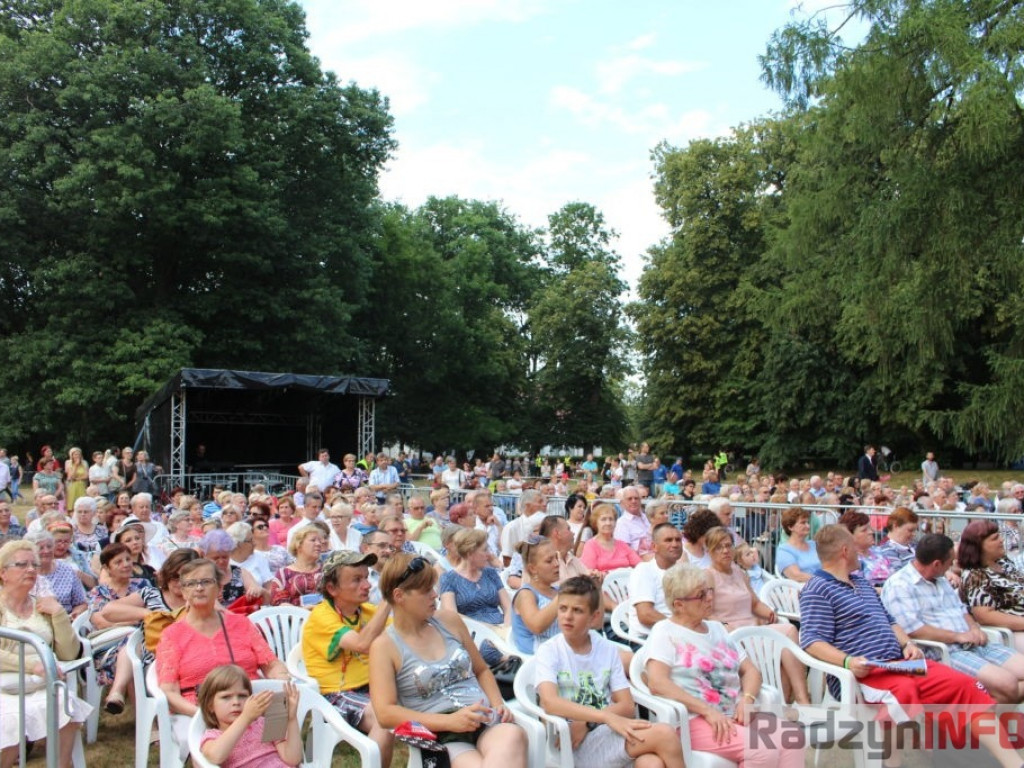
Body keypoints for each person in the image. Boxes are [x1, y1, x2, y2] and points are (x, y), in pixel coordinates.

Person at [800, 525, 1023, 768]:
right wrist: (847, 661)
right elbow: (812, 641)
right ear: (845, 551)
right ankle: (890, 763)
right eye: (855, 547)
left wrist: (907, 643)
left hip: (901, 664)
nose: (863, 550)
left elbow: (890, 620)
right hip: (865, 673)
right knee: (903, 694)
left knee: (966, 686)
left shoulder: (861, 583)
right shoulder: (817, 588)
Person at [369, 552, 528, 768]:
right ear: (399, 596)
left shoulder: (449, 621)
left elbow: (481, 670)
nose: (434, 595)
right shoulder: (384, 647)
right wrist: (450, 721)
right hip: (439, 733)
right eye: (426, 591)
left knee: (512, 736)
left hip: (482, 716)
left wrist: (498, 703)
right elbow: (385, 713)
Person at [645, 564, 804, 768]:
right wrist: (708, 711)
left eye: (709, 591)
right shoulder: (665, 632)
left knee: (793, 738)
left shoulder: (717, 628)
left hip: (735, 714)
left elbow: (750, 671)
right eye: (700, 595)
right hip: (694, 720)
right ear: (679, 604)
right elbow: (657, 682)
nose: (709, 598)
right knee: (761, 750)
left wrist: (747, 699)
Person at [534, 576, 684, 768]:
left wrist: (588, 722)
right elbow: (550, 702)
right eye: (563, 609)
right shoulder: (550, 650)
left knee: (651, 763)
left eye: (577, 610)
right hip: (570, 741)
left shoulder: (606, 648)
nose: (567, 616)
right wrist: (603, 717)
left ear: (594, 617)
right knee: (665, 734)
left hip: (605, 731)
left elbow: (627, 705)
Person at [881, 533, 1024, 704]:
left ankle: (985, 708)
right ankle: (985, 714)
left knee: (1009, 688)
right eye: (950, 562)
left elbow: (962, 610)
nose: (953, 566)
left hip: (974, 643)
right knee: (1007, 685)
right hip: (946, 651)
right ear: (936, 564)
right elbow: (913, 629)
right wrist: (958, 636)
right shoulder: (900, 585)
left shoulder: (939, 579)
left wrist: (974, 628)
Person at [156, 558, 289, 718]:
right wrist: (203, 715)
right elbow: (169, 692)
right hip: (198, 713)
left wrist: (281, 681)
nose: (199, 588)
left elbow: (272, 665)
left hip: (249, 704)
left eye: (206, 581)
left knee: (282, 721)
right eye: (191, 584)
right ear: (183, 592)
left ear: (219, 589)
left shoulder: (241, 624)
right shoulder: (172, 635)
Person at [0, 540, 91, 768]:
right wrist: (33, 665)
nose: (31, 570)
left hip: (42, 684)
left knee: (66, 708)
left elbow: (69, 654)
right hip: (5, 686)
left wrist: (59, 613)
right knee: (12, 721)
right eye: (22, 564)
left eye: (34, 565)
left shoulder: (42, 605)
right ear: (3, 573)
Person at [301, 549, 395, 764]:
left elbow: (404, 633)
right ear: (332, 588)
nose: (367, 585)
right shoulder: (321, 616)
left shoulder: (367, 611)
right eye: (356, 580)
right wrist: (388, 600)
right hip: (335, 693)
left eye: (366, 577)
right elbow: (362, 644)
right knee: (385, 718)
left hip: (372, 687)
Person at [704, 527, 810, 707]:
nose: (725, 551)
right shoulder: (707, 576)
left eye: (728, 546)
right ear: (710, 551)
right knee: (779, 645)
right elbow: (705, 612)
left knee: (789, 630)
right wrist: (724, 625)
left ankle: (801, 699)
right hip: (731, 631)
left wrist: (769, 611)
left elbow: (754, 603)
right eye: (719, 547)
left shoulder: (739, 573)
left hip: (752, 627)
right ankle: (787, 702)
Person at [197, 665, 301, 768]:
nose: (236, 702)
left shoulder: (264, 723)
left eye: (242, 696)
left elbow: (292, 759)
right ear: (210, 706)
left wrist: (291, 719)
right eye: (226, 697)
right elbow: (216, 756)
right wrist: (245, 717)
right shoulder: (213, 736)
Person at [957, 519, 1024, 653]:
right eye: (994, 538)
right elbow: (985, 616)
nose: (1001, 540)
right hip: (1009, 632)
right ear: (978, 546)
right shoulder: (976, 574)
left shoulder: (1003, 562)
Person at [628, 523, 683, 638]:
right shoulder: (644, 571)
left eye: (678, 540)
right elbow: (646, 615)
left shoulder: (683, 572)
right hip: (649, 639)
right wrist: (680, 627)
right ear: (654, 547)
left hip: (678, 634)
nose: (675, 544)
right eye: (668, 540)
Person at [510, 536, 560, 654]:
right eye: (549, 561)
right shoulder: (526, 594)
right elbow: (537, 625)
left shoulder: (558, 590)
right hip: (537, 660)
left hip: (561, 653)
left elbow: (594, 622)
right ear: (532, 569)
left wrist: (595, 588)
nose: (557, 564)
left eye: (557, 558)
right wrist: (564, 596)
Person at [25, 529, 87, 618]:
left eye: (49, 546)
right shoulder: (24, 573)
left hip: (65, 620)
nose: (46, 551)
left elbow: (81, 603)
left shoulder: (68, 570)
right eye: (40, 548)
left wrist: (75, 614)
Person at [270, 524, 326, 607]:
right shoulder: (283, 573)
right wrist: (302, 611)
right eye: (313, 540)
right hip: (295, 617)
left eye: (319, 541)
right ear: (299, 545)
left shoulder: (326, 570)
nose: (318, 544)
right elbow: (279, 602)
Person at [579, 504, 641, 575]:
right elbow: (589, 573)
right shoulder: (590, 545)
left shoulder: (622, 545)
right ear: (596, 523)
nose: (608, 523)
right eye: (603, 519)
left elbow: (640, 565)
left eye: (611, 519)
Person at [838, 509, 893, 587]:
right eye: (864, 530)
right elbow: (857, 589)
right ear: (850, 535)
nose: (871, 532)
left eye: (870, 528)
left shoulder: (879, 551)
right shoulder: (851, 560)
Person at [775, 507, 820, 583]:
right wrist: (824, 580)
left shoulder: (813, 544)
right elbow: (796, 576)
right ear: (790, 527)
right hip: (802, 590)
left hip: (823, 586)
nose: (808, 526)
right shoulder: (784, 550)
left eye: (807, 522)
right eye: (803, 523)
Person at [876, 507, 919, 573]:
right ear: (895, 526)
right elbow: (898, 575)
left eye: (915, 530)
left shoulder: (914, 544)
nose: (914, 534)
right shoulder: (886, 549)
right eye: (910, 530)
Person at [613, 487, 652, 557]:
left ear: (640, 501)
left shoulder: (647, 517)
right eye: (629, 499)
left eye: (636, 498)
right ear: (622, 503)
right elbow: (624, 551)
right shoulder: (622, 523)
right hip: (638, 561)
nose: (633, 501)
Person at [64, 447, 89, 512]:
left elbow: (86, 476)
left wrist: (77, 478)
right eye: (75, 454)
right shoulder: (68, 462)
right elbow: (70, 477)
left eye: (78, 454)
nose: (77, 456)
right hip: (72, 485)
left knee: (82, 502)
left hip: (82, 485)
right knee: (71, 503)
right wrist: (76, 465)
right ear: (71, 455)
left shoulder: (84, 462)